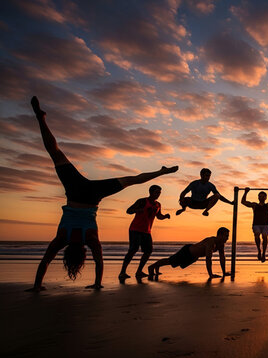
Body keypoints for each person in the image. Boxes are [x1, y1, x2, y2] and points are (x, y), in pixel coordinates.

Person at [26, 96, 178, 292]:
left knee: (130, 180)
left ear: (82, 254)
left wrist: (98, 283)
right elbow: (46, 261)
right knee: (55, 153)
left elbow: (98, 262)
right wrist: (38, 285)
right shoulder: (62, 238)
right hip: (76, 192)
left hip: (91, 196)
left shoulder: (89, 238)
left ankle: (161, 172)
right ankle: (41, 119)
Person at [118, 185, 170, 280]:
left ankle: (139, 271)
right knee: (133, 249)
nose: (158, 194)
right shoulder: (142, 201)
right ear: (150, 192)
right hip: (135, 229)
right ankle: (122, 272)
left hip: (146, 231)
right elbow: (129, 210)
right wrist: (139, 210)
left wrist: (165, 216)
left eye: (159, 193)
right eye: (156, 192)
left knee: (148, 251)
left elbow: (159, 216)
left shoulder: (158, 204)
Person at [148, 227, 230, 280]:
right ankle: (152, 267)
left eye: (228, 236)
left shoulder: (221, 245)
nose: (227, 238)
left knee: (172, 263)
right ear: (219, 235)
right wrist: (211, 275)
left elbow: (222, 258)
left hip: (193, 257)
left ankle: (157, 266)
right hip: (187, 251)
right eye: (226, 236)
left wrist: (224, 272)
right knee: (170, 261)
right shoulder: (211, 241)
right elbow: (208, 259)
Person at [241, 188, 268, 262]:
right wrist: (245, 192)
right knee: (257, 234)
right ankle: (259, 250)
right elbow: (243, 202)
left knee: (264, 236)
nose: (261, 198)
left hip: (265, 225)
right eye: (260, 196)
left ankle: (264, 253)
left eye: (263, 196)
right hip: (256, 224)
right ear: (258, 197)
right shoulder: (255, 205)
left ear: (265, 197)